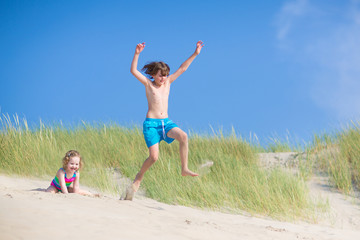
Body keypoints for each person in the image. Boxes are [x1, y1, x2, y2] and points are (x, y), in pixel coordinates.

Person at [125, 41, 204, 200]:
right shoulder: (148, 84)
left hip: (166, 123)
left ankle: (184, 168)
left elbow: (182, 68)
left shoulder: (168, 83)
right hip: (151, 125)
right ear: (153, 74)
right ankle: (139, 177)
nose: (163, 77)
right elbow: (133, 70)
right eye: (161, 74)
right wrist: (137, 53)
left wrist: (195, 53)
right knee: (154, 157)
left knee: (183, 136)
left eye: (165, 74)